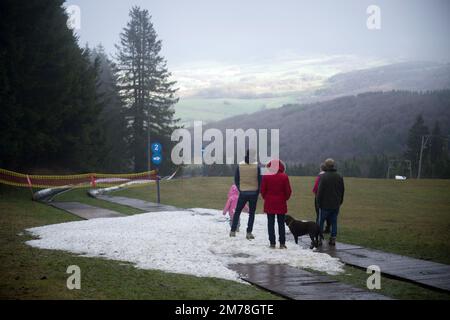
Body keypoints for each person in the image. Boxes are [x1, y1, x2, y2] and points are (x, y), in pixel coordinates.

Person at [230, 149, 261, 240]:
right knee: (251, 213)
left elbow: (236, 179)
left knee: (237, 212)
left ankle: (233, 231)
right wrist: (257, 192)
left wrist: (240, 189)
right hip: (253, 193)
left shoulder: (240, 165)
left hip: (243, 192)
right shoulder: (257, 166)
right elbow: (260, 180)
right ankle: (249, 232)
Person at [260, 159, 292, 249]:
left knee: (270, 223)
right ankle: (282, 243)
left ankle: (272, 243)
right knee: (281, 224)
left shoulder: (266, 176)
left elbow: (262, 190)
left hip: (269, 202)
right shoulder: (284, 177)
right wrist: (284, 199)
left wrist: (266, 198)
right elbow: (288, 191)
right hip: (281, 202)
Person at [316, 158, 345, 246]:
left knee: (320, 222)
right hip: (335, 204)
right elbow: (342, 190)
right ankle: (333, 239)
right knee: (334, 222)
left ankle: (319, 238)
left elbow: (319, 192)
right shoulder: (339, 176)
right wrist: (340, 201)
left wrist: (318, 203)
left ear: (326, 165)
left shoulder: (323, 177)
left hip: (324, 205)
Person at [312, 163, 331, 233]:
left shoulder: (320, 176)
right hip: (329, 198)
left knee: (318, 214)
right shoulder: (330, 176)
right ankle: (328, 228)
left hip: (319, 198)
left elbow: (315, 188)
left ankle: (317, 229)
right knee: (328, 214)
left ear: (321, 169)